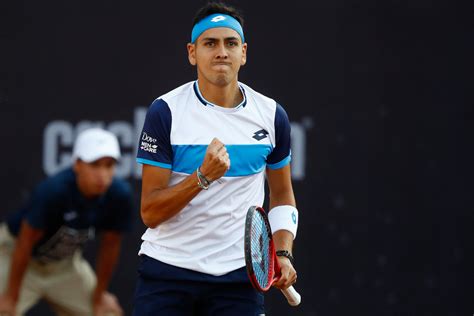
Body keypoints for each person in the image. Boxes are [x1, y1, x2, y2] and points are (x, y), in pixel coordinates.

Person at [133, 2, 299, 315]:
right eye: (210, 43)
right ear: (192, 53)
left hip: (238, 279)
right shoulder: (165, 111)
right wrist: (202, 178)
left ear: (244, 53)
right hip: (167, 272)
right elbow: (150, 212)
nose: (221, 52)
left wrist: (282, 251)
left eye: (230, 43)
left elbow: (282, 194)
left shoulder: (272, 116)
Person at [0, 128, 134, 316]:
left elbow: (110, 246)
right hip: (15, 257)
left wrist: (99, 295)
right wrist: (10, 297)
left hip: (64, 266)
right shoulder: (53, 192)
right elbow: (25, 243)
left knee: (107, 313)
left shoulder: (119, 196)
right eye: (95, 165)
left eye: (109, 165)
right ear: (77, 164)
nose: (102, 174)